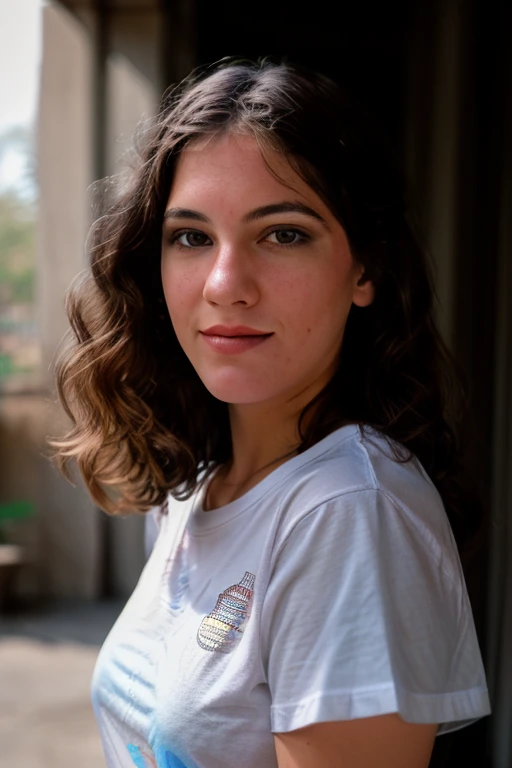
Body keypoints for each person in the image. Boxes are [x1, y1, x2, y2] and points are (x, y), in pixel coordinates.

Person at [52, 57, 491, 768]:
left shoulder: (348, 511)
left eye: (283, 233)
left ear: (366, 270)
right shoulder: (196, 485)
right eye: (191, 237)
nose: (226, 285)